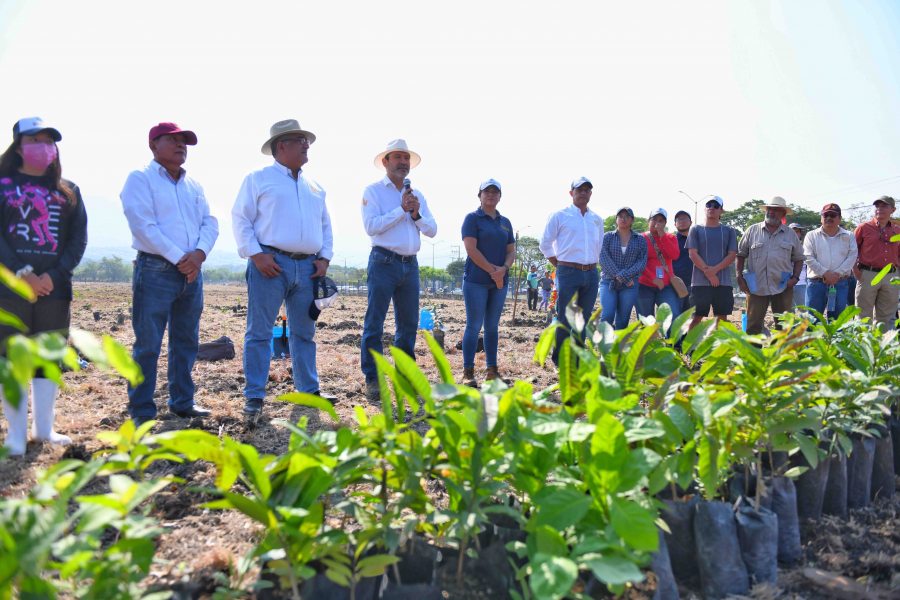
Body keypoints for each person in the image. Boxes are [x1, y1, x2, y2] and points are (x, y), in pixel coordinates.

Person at [232, 119, 334, 424]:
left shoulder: (315, 187)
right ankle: (255, 396)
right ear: (281, 146)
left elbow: (326, 226)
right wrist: (256, 254)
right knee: (260, 332)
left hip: (308, 267)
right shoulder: (258, 179)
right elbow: (240, 218)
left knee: (305, 333)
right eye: (300, 140)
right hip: (270, 265)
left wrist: (325, 258)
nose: (306, 145)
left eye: (307, 140)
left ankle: (308, 390)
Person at [121, 122, 218, 426]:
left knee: (185, 340)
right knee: (148, 344)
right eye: (173, 141)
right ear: (153, 145)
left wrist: (199, 255)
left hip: (191, 272)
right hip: (156, 270)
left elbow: (210, 222)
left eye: (184, 142)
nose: (180, 146)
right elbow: (143, 226)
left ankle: (182, 402)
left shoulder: (194, 186)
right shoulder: (141, 179)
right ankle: (142, 410)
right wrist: (182, 259)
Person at [0, 117, 87, 456]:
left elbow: (78, 241)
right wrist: (21, 272)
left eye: (49, 141)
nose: (43, 146)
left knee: (47, 358)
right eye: (35, 139)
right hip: (9, 289)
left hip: (55, 289)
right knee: (12, 358)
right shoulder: (3, 185)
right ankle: (16, 435)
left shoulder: (68, 190)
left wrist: (54, 275)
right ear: (19, 146)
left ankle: (44, 429)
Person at [360, 139, 437, 401]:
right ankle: (373, 378)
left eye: (406, 159)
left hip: (410, 265)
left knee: (408, 324)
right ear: (385, 162)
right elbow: (372, 227)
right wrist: (400, 210)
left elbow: (432, 230)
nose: (403, 163)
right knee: (375, 323)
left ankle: (405, 376)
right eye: (398, 158)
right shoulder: (373, 192)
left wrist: (415, 214)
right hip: (383, 262)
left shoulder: (418, 196)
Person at [539, 177, 603, 361]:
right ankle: (560, 358)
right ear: (571, 193)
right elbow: (545, 244)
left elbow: (598, 247)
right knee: (566, 317)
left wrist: (593, 266)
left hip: (591, 272)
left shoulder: (597, 220)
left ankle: (578, 356)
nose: (583, 193)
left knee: (583, 318)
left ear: (591, 193)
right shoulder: (560, 216)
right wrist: (558, 265)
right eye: (579, 190)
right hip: (567, 271)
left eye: (586, 190)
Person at [460, 179, 515, 386]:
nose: (491, 195)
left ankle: (492, 372)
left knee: (492, 326)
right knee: (474, 325)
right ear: (480, 195)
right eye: (487, 192)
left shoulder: (505, 222)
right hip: (476, 281)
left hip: (499, 282)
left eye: (495, 192)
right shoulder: (473, 219)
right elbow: (471, 249)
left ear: (500, 196)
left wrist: (504, 269)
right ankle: (468, 373)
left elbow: (511, 251)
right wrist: (493, 271)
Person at [736, 196, 804, 335]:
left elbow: (799, 258)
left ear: (783, 214)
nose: (771, 212)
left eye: (776, 210)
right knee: (753, 325)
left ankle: (782, 355)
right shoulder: (752, 231)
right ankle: (753, 355)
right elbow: (740, 254)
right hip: (756, 286)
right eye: (769, 209)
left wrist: (795, 278)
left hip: (783, 285)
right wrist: (739, 277)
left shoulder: (790, 234)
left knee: (784, 326)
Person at [685, 196, 738, 330]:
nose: (712, 208)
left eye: (716, 206)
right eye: (709, 205)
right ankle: (689, 349)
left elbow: (732, 255)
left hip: (723, 282)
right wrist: (709, 273)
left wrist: (713, 271)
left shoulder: (729, 231)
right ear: (705, 209)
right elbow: (692, 253)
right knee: (696, 317)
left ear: (721, 210)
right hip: (699, 282)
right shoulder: (695, 229)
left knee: (722, 318)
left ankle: (719, 348)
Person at [853, 196, 900, 330]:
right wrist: (855, 270)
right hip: (868, 273)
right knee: (863, 315)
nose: (879, 209)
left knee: (887, 316)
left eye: (884, 206)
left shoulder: (897, 230)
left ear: (893, 210)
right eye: (877, 206)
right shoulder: (863, 227)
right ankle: (861, 348)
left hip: (890, 276)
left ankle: (883, 347)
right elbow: (851, 251)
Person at [803, 203, 857, 319]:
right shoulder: (811, 235)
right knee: (811, 321)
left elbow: (852, 256)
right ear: (821, 218)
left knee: (837, 323)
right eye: (825, 215)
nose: (829, 218)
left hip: (840, 283)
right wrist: (826, 273)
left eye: (832, 215)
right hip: (816, 283)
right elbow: (808, 256)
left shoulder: (849, 236)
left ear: (839, 219)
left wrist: (837, 274)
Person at [599, 207, 648, 329]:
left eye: (627, 216)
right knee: (607, 315)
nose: (623, 219)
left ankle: (618, 346)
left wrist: (625, 278)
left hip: (630, 285)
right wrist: (623, 277)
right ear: (616, 219)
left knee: (623, 318)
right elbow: (603, 259)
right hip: (609, 281)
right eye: (620, 216)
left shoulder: (640, 239)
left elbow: (641, 262)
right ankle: (604, 345)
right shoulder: (607, 237)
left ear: (632, 220)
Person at [636, 208, 680, 321]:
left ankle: (672, 339)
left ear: (665, 223)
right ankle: (648, 339)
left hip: (666, 286)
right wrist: (653, 278)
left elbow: (674, 255)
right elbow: (638, 261)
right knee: (646, 321)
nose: (657, 223)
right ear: (648, 221)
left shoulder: (671, 238)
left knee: (672, 316)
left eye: (661, 220)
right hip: (644, 286)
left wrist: (662, 236)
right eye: (654, 219)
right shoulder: (640, 238)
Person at [671, 210, 694, 315]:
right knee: (675, 318)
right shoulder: (671, 240)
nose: (682, 221)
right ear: (675, 224)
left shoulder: (697, 239)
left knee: (691, 320)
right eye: (679, 219)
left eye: (685, 218)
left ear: (691, 222)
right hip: (675, 286)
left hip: (694, 285)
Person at [788, 223, 809, 307]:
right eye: (793, 231)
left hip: (801, 283)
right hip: (786, 284)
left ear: (800, 233)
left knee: (804, 312)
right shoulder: (783, 248)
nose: (795, 234)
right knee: (788, 312)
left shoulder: (806, 248)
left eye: (797, 231)